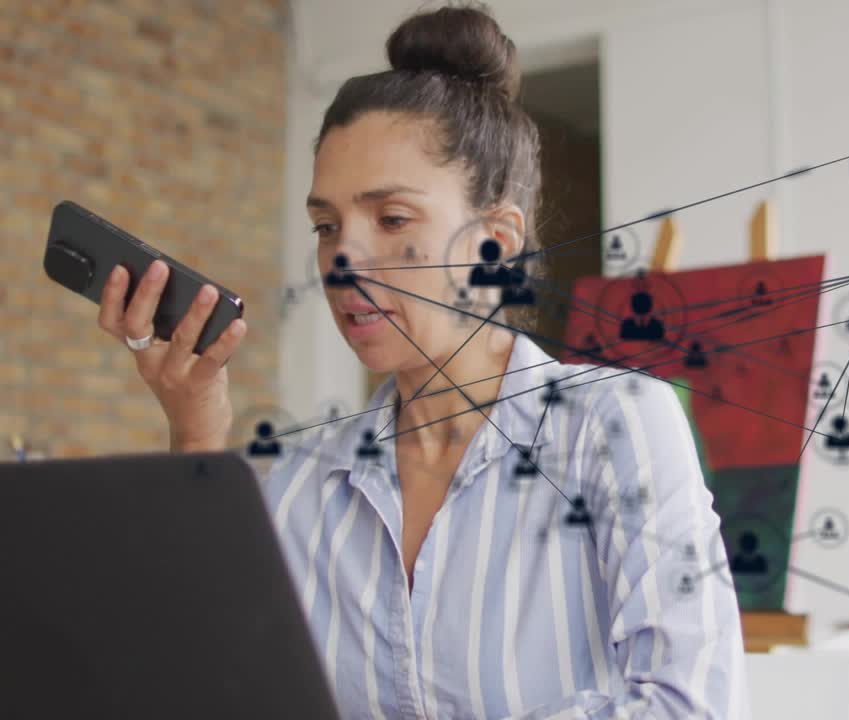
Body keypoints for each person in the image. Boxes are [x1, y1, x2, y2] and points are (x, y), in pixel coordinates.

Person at [93, 5, 747, 718]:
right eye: (325, 226)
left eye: (392, 219)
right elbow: (209, 686)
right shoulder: (303, 487)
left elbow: (690, 706)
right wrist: (195, 436)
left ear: (495, 241)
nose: (343, 261)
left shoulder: (614, 428)